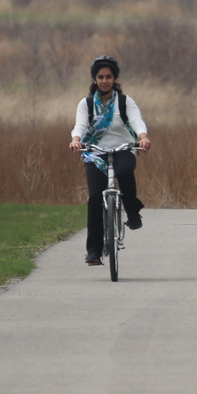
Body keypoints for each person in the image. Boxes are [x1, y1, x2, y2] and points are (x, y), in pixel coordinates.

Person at [69, 55, 152, 266]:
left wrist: (142, 137)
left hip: (122, 149)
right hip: (94, 152)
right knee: (96, 197)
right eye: (100, 77)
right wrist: (76, 140)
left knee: (124, 172)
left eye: (108, 77)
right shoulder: (86, 104)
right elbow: (80, 126)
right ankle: (94, 252)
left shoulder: (124, 102)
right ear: (94, 79)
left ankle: (132, 212)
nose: (104, 81)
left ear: (114, 79)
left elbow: (136, 121)